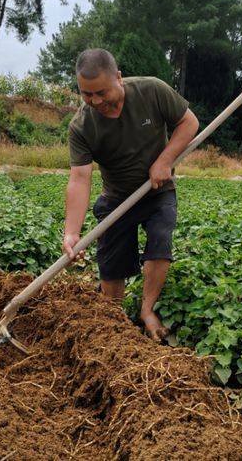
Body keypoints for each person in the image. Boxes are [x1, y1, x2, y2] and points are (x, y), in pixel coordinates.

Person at [62, 48, 199, 342]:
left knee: (160, 238)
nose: (96, 101)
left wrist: (164, 161)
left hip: (157, 190)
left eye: (101, 92)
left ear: (119, 79)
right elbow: (80, 179)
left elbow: (189, 123)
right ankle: (114, 322)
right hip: (115, 198)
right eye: (87, 94)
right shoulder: (82, 126)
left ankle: (147, 310)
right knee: (112, 265)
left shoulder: (152, 91)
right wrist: (72, 232)